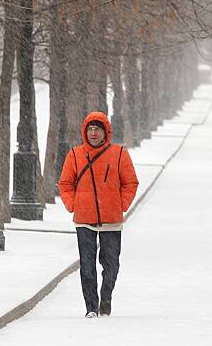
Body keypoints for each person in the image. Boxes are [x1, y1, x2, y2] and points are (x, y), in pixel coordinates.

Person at [58, 111, 139, 318]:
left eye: (97, 129)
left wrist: (121, 204)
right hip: (84, 219)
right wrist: (73, 204)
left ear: (106, 132)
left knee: (111, 264)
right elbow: (65, 184)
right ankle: (91, 307)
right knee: (87, 264)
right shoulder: (75, 155)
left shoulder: (119, 154)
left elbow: (130, 182)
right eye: (90, 129)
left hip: (111, 219)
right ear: (85, 132)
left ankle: (106, 297)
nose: (94, 133)